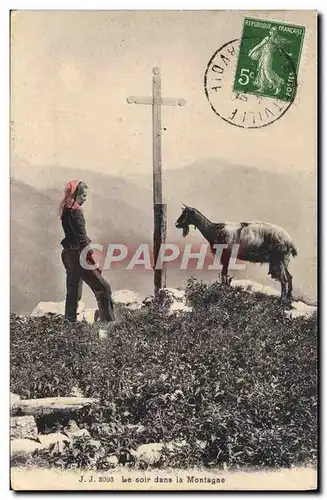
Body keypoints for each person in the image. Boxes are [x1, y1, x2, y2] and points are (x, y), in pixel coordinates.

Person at [59, 179, 115, 323]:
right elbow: (82, 239)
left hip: (68, 255)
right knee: (104, 289)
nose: (85, 199)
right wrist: (91, 260)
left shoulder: (66, 209)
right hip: (79, 256)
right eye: (83, 195)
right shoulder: (76, 212)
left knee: (73, 293)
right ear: (75, 194)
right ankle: (108, 326)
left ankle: (69, 325)